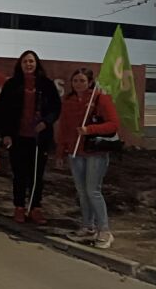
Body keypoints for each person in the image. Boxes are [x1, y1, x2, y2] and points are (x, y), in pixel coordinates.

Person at [56, 68, 119, 249]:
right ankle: (88, 226)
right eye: (75, 80)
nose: (78, 84)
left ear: (90, 82)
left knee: (93, 191)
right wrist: (60, 152)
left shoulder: (100, 99)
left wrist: (89, 130)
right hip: (75, 153)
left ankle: (104, 230)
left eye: (82, 80)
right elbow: (63, 128)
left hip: (95, 153)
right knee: (82, 191)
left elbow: (113, 124)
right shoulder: (68, 101)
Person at [0, 50, 61, 224]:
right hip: (17, 137)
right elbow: (3, 110)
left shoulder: (47, 84)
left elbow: (56, 108)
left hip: (39, 138)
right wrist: (6, 134)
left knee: (36, 175)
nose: (28, 64)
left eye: (31, 61)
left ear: (37, 63)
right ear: (20, 64)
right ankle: (19, 207)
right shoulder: (11, 84)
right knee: (19, 174)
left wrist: (46, 122)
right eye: (25, 61)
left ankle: (35, 208)